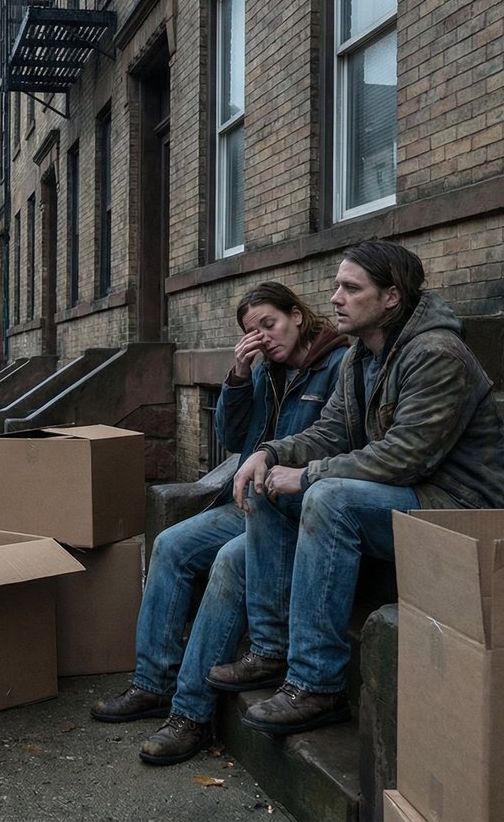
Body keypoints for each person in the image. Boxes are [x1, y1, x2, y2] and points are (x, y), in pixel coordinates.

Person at [208, 240, 504, 735]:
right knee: (272, 486)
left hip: (461, 504)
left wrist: (308, 476)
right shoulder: (362, 357)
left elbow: (405, 455)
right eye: (337, 287)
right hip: (406, 496)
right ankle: (271, 650)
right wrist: (271, 455)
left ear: (391, 297)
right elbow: (328, 433)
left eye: (351, 288)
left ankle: (316, 684)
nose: (335, 298)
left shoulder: (437, 354)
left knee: (329, 499)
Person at [88, 282, 348, 764]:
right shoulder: (263, 370)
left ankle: (190, 715)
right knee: (170, 544)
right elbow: (230, 437)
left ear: (297, 315)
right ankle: (153, 684)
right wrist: (238, 375)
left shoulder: (337, 365)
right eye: (253, 332)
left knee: (230, 561)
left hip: (295, 512)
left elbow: (334, 445)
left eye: (269, 325)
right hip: (248, 503)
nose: (263, 338)